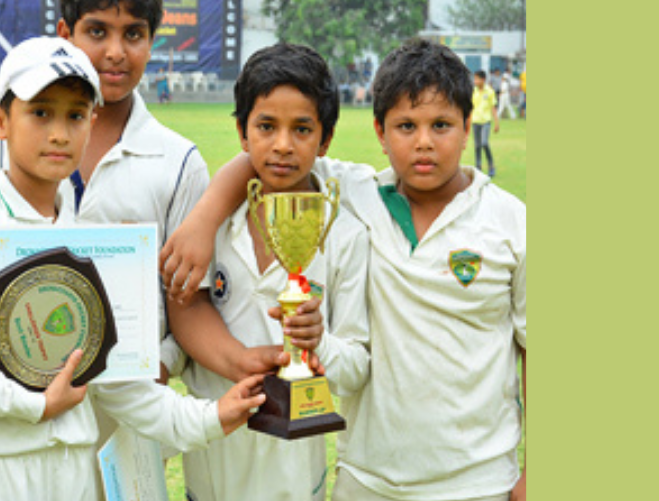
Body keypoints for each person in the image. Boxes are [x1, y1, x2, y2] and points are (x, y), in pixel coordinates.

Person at [0, 0, 308, 492]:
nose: (115, 51)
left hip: (110, 412)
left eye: (133, 33)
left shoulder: (175, 162)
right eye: (40, 113)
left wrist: (182, 378)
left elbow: (177, 306)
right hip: (0, 442)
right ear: (1, 122)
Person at [160, 38, 526, 501]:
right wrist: (205, 216)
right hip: (366, 476)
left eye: (441, 125)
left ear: (467, 123)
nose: (424, 142)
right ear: (379, 131)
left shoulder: (509, 222)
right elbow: (262, 156)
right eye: (406, 126)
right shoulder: (356, 193)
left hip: (479, 478)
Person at [171, 43, 370, 501]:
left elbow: (356, 369)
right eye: (266, 126)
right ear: (243, 133)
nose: (282, 144)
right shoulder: (209, 225)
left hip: (293, 479)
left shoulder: (346, 234)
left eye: (302, 129)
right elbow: (181, 318)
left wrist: (316, 339)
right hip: (211, 469)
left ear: (325, 139)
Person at [471, 70, 499, 177]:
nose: (475, 81)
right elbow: (471, 108)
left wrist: (496, 123)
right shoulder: (474, 91)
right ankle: (478, 167)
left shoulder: (490, 91)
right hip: (475, 121)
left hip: (486, 122)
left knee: (484, 143)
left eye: (477, 79)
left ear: (483, 80)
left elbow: (493, 108)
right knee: (477, 146)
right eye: (474, 79)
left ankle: (491, 166)